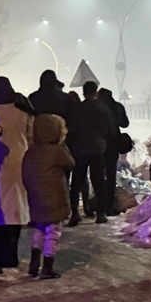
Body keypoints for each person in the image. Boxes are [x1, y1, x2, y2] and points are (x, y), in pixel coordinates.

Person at [21, 113, 74, 280]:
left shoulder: (31, 151)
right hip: (54, 198)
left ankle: (34, 263)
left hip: (36, 197)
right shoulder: (57, 151)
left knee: (39, 228)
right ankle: (47, 267)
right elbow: (71, 163)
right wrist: (62, 145)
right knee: (53, 232)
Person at [0, 76, 33, 269]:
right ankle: (12, 254)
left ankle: (1, 256)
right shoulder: (24, 111)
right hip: (21, 162)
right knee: (16, 208)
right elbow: (31, 137)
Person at [65, 81, 115, 226]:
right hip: (98, 149)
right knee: (99, 182)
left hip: (80, 149)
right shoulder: (103, 109)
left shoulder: (78, 109)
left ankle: (74, 213)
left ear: (83, 92)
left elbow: (71, 129)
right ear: (95, 91)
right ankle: (100, 214)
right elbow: (111, 130)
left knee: (76, 182)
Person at [99, 88, 130, 216]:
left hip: (99, 144)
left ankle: (100, 205)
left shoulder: (98, 108)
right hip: (113, 144)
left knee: (99, 175)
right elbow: (125, 124)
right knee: (111, 175)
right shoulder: (117, 106)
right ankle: (110, 206)